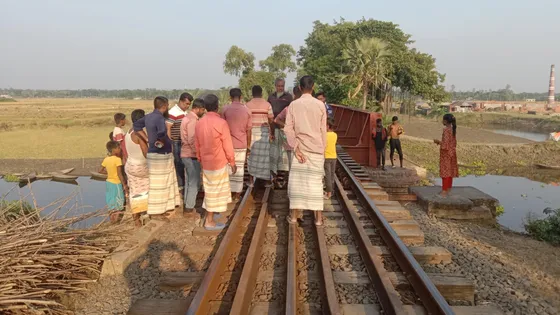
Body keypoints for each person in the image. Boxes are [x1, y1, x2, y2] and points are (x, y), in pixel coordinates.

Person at [285, 75, 327, 226]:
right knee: (316, 184)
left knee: (297, 184)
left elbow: (288, 129)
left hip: (300, 150)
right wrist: (323, 149)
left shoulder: (294, 105)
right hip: (316, 149)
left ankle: (294, 216)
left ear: (300, 88)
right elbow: (323, 130)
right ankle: (318, 219)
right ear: (313, 87)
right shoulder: (320, 105)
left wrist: (295, 148)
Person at [133, 96, 181, 221]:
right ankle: (156, 212)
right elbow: (161, 133)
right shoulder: (160, 118)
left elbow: (136, 126)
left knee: (158, 183)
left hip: (152, 154)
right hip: (160, 154)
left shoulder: (148, 116)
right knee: (160, 184)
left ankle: (162, 208)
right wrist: (160, 142)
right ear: (164, 106)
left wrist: (148, 139)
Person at [195, 94, 237, 230]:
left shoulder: (199, 122)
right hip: (218, 162)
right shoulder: (221, 123)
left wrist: (200, 158)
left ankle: (212, 215)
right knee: (215, 192)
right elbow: (227, 144)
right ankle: (209, 220)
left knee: (210, 189)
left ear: (205, 107)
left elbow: (197, 144)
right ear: (217, 106)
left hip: (206, 163)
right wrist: (232, 161)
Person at [222, 88, 252, 201]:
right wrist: (248, 146)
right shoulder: (247, 111)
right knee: (239, 170)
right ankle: (237, 194)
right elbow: (249, 130)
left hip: (227, 144)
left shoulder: (225, 109)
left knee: (228, 168)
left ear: (230, 97)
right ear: (241, 97)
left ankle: (228, 192)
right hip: (242, 144)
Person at [124, 109, 149, 227]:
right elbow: (145, 152)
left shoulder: (128, 132)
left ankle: (136, 219)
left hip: (130, 165)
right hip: (141, 166)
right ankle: (151, 213)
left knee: (135, 192)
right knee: (149, 189)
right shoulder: (139, 133)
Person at [180, 98, 205, 215]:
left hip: (185, 153)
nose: (203, 112)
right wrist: (198, 154)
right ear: (198, 108)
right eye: (203, 109)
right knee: (194, 182)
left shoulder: (186, 118)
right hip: (191, 155)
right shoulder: (193, 120)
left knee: (189, 180)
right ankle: (189, 207)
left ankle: (187, 204)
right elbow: (192, 139)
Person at [246, 85, 274, 187]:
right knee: (265, 157)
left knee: (251, 156)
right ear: (261, 93)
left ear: (252, 94)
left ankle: (251, 180)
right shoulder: (267, 105)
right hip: (264, 132)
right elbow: (271, 119)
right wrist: (272, 132)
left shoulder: (247, 105)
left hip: (252, 132)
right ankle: (266, 180)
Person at [269, 79, 294, 186]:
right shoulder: (271, 97)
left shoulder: (288, 97)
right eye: (278, 86)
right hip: (274, 128)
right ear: (275, 86)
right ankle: (274, 175)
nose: (280, 88)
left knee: (285, 154)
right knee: (275, 153)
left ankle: (284, 176)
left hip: (285, 130)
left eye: (282, 86)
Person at [166, 93, 193, 192]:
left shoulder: (184, 112)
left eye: (189, 104)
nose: (187, 106)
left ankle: (184, 183)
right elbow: (168, 127)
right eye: (186, 104)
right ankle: (181, 185)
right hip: (176, 141)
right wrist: (170, 143)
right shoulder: (173, 112)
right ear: (181, 101)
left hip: (182, 142)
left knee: (183, 163)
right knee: (178, 163)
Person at [274, 86, 302, 171]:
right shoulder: (305, 107)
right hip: (302, 141)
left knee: (290, 161)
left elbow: (276, 120)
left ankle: (288, 178)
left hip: (290, 140)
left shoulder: (289, 108)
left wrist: (286, 126)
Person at [99, 141, 128, 223]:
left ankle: (112, 220)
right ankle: (116, 221)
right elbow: (119, 174)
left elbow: (100, 170)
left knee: (111, 202)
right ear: (114, 150)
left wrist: (109, 173)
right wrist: (124, 185)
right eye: (119, 148)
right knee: (119, 202)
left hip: (109, 183)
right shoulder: (118, 160)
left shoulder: (106, 159)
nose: (120, 150)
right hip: (116, 183)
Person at [434, 113, 458, 197]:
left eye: (443, 119)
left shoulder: (446, 130)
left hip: (446, 153)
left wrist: (438, 142)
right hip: (452, 152)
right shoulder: (452, 129)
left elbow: (445, 145)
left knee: (445, 171)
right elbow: (454, 143)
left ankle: (444, 191)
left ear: (445, 121)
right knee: (450, 171)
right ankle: (448, 189)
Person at [324, 118, 338, 200]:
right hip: (334, 157)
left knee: (327, 176)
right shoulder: (335, 135)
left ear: (328, 126)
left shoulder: (324, 135)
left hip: (327, 157)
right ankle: (330, 191)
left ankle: (328, 193)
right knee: (332, 175)